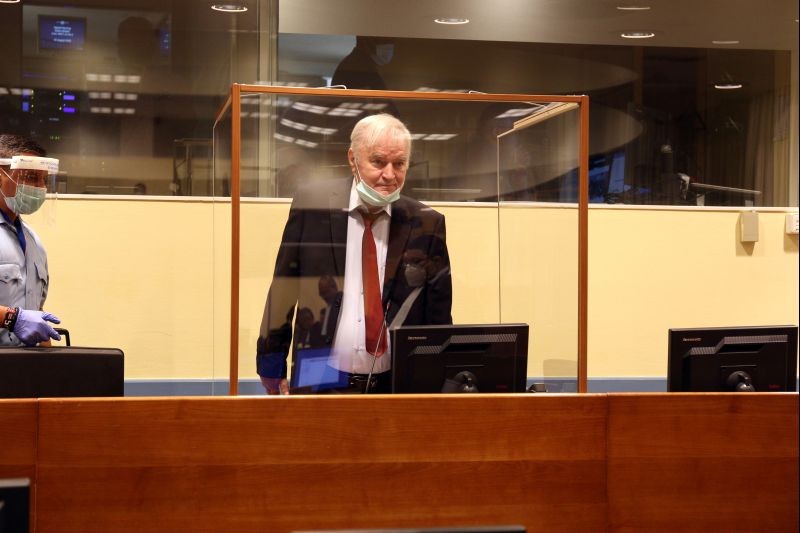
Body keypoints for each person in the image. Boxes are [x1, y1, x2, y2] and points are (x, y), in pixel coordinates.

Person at [257, 113, 453, 394]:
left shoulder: (427, 222)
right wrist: (271, 362)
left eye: (399, 164)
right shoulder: (313, 206)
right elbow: (283, 289)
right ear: (353, 159)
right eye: (378, 162)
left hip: (396, 383)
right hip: (321, 370)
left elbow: (438, 315)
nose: (389, 175)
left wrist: (437, 382)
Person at [0, 134, 62, 346]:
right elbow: (20, 319)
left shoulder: (33, 241)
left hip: (23, 369)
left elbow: (35, 312)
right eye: (31, 177)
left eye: (43, 179)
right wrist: (12, 318)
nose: (39, 187)